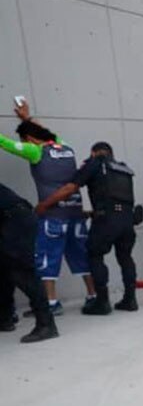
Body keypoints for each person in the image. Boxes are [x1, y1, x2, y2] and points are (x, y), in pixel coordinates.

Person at [1, 101, 95, 315]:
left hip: (52, 216)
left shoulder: (36, 151)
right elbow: (46, 134)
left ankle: (51, 304)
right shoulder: (66, 147)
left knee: (46, 260)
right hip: (75, 214)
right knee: (82, 257)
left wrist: (25, 128)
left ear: (30, 139)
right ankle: (93, 295)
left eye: (24, 140)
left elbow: (4, 143)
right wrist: (26, 118)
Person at [37, 142, 139, 315]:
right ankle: (130, 299)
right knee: (125, 258)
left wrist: (45, 205)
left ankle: (102, 302)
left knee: (94, 256)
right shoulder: (122, 168)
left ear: (93, 153)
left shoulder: (95, 163)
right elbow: (116, 200)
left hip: (106, 221)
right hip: (127, 221)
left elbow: (71, 187)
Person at [0, 182, 58, 342]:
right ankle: (5, 318)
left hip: (15, 219)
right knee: (3, 268)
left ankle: (46, 325)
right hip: (10, 218)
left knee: (22, 272)